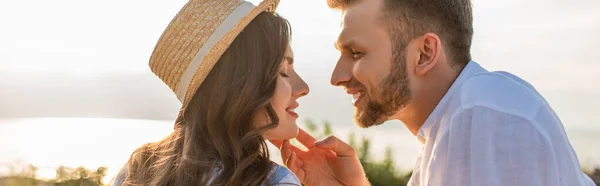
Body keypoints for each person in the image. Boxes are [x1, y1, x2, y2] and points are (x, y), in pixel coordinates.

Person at [272, 0, 596, 185]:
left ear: (425, 53)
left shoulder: (485, 119)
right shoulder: (448, 130)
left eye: (356, 53)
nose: (337, 77)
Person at [109, 0, 309, 185]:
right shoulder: (273, 181)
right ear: (239, 85)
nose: (303, 88)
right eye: (283, 72)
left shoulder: (137, 170)